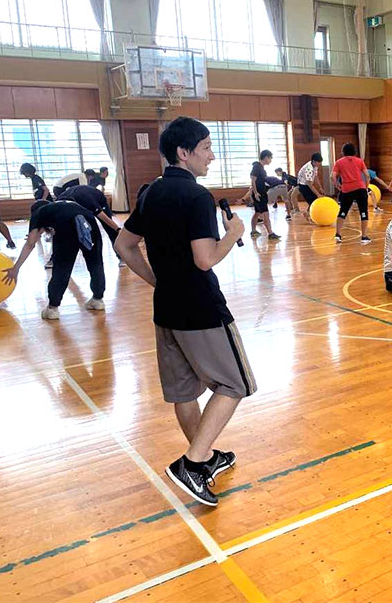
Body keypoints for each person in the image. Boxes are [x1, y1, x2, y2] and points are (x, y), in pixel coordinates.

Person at [115, 116, 255, 507]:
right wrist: (232, 234)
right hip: (201, 309)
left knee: (184, 391)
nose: (211, 156)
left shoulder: (150, 193)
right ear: (183, 152)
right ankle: (192, 463)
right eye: (206, 148)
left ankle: (205, 457)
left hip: (167, 309)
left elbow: (124, 246)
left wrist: (157, 280)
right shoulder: (196, 197)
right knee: (236, 384)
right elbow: (205, 259)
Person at [2, 199, 105, 320]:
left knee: (62, 269)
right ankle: (98, 300)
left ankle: (52, 309)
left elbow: (30, 243)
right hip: (90, 223)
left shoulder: (39, 213)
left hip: (66, 226)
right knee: (95, 263)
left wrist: (16, 268)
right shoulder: (62, 206)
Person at [56, 184, 125, 265]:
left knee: (110, 229)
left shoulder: (87, 201)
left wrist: (118, 229)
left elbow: (104, 217)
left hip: (95, 197)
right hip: (77, 199)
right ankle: (54, 259)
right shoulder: (57, 203)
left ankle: (122, 257)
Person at [332, 143, 371, 244]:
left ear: (343, 151)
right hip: (360, 188)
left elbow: (333, 176)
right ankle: (364, 236)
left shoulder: (339, 162)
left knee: (343, 211)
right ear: (354, 151)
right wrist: (366, 186)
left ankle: (338, 234)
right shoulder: (359, 161)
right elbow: (367, 176)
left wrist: (337, 185)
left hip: (347, 189)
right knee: (363, 212)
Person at [249, 150, 279, 240]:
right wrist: (256, 193)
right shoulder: (257, 167)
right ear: (266, 157)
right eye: (270, 158)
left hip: (261, 193)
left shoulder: (261, 168)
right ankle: (270, 233)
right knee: (266, 214)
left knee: (257, 213)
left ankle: (253, 231)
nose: (271, 160)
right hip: (259, 195)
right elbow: (253, 180)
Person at [293, 153, 326, 220]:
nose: (319, 164)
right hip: (303, 185)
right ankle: (307, 214)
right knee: (314, 200)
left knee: (314, 199)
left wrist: (320, 188)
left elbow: (316, 177)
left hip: (307, 184)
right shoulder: (308, 168)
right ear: (314, 161)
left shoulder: (315, 165)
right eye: (318, 163)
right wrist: (318, 194)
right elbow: (309, 184)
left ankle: (307, 214)